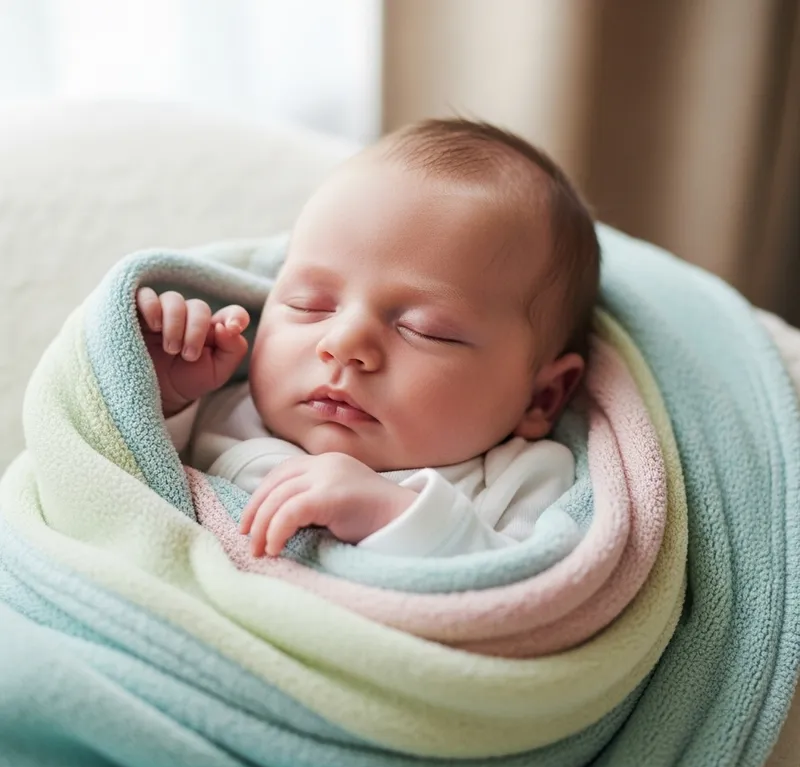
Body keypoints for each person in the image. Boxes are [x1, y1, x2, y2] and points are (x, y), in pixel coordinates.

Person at [136, 118, 600, 559]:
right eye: (309, 304)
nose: (343, 343)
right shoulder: (224, 409)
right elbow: (135, 478)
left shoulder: (519, 478)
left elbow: (535, 587)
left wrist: (393, 514)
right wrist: (164, 392)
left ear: (541, 397)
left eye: (423, 330)